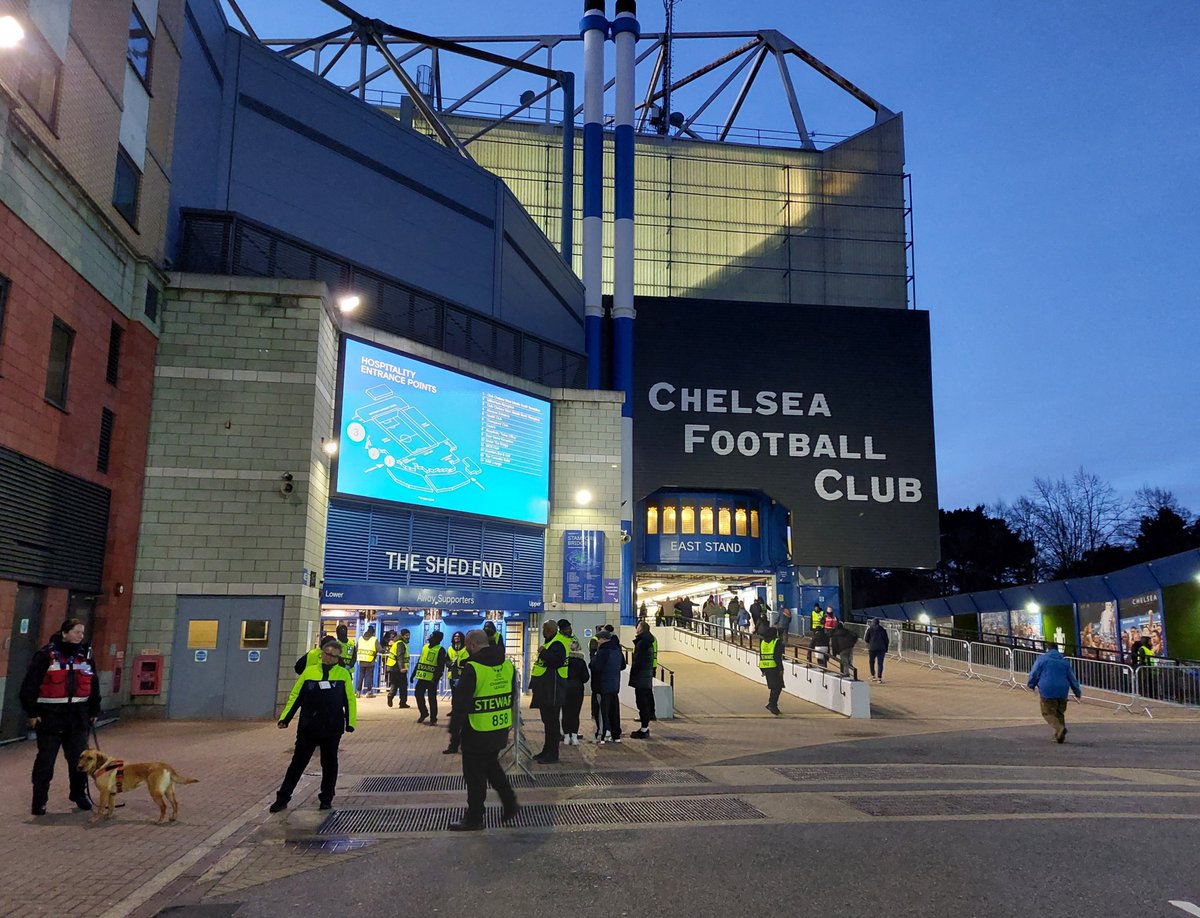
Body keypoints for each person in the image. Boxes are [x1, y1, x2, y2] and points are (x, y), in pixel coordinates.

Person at [20, 618, 100, 815]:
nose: (80, 636)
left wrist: (94, 711)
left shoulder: (86, 657)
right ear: (64, 633)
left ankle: (79, 795)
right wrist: (32, 712)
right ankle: (39, 801)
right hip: (50, 719)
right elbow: (29, 686)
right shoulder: (46, 656)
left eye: (82, 633)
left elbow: (94, 685)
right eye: (76, 632)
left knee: (80, 761)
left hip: (78, 718)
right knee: (45, 762)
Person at [271, 635, 355, 813]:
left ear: (338, 658)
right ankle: (283, 798)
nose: (328, 657)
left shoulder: (343, 674)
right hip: (308, 726)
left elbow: (349, 700)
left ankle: (326, 798)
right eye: (326, 654)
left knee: (330, 764)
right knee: (298, 764)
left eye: (333, 656)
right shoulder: (309, 672)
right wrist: (285, 718)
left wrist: (350, 722)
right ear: (322, 653)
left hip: (332, 728)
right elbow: (296, 697)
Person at [446, 630, 520, 831]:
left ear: (471, 646)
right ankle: (509, 801)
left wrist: (454, 735)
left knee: (474, 777)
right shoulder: (507, 665)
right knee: (490, 766)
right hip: (499, 728)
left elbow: (461, 703)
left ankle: (474, 818)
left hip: (476, 730)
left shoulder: (473, 667)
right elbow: (512, 694)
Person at [529, 620, 570, 764]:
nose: (542, 630)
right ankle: (546, 750)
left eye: (544, 628)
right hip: (546, 689)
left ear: (549, 630)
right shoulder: (551, 641)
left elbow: (556, 660)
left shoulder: (557, 643)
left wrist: (543, 652)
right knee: (548, 722)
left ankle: (552, 754)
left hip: (553, 689)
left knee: (552, 723)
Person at [1026, 645, 1082, 743]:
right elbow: (1072, 678)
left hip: (1047, 689)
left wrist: (1031, 684)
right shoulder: (1064, 662)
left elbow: (1034, 673)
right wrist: (1077, 692)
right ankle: (1059, 736)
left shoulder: (1042, 659)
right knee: (1059, 712)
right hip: (1062, 690)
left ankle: (1059, 729)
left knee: (1047, 712)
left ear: (1047, 649)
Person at [590, 630, 626, 743]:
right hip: (614, 685)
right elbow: (623, 666)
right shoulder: (617, 650)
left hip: (602, 686)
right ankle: (616, 735)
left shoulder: (603, 651)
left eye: (598, 639)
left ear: (603, 639)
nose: (598, 642)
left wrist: (593, 657)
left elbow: (596, 667)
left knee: (602, 711)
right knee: (614, 711)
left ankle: (604, 734)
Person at [411, 631, 448, 726]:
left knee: (432, 699)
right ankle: (424, 713)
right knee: (418, 694)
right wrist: (413, 674)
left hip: (432, 679)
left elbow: (440, 666)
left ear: (436, 639)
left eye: (432, 636)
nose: (429, 637)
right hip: (422, 677)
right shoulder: (425, 647)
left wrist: (435, 678)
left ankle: (433, 718)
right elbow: (420, 661)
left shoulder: (440, 650)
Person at [442, 632, 470, 754]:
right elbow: (447, 659)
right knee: (456, 701)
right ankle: (454, 744)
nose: (456, 638)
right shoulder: (450, 648)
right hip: (452, 676)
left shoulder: (466, 650)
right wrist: (450, 664)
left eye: (459, 637)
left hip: (464, 678)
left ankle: (460, 744)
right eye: (455, 637)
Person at [629, 621, 658, 738]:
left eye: (638, 627)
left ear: (641, 629)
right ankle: (645, 724)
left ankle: (644, 728)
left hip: (641, 677)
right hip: (646, 676)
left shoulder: (642, 643)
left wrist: (634, 675)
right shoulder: (649, 640)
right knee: (645, 699)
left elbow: (638, 662)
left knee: (642, 702)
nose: (636, 629)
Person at [561, 641, 590, 746]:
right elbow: (586, 677)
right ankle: (574, 737)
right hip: (577, 689)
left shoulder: (564, 661)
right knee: (575, 713)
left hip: (565, 689)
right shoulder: (581, 661)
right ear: (578, 649)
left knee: (565, 713)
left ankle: (566, 737)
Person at [759, 625, 784, 715]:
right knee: (777, 687)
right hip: (774, 667)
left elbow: (761, 655)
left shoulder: (763, 642)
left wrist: (762, 669)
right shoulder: (776, 642)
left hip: (765, 666)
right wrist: (781, 668)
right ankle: (772, 704)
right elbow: (777, 656)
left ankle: (772, 704)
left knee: (774, 687)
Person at [385, 628, 411, 708]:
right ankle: (402, 702)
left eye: (409, 635)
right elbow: (400, 656)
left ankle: (390, 695)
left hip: (392, 667)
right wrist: (402, 668)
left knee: (394, 684)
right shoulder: (401, 644)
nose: (408, 637)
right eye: (406, 635)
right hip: (397, 667)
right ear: (402, 635)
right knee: (403, 686)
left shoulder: (398, 642)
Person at [355, 625, 379, 696]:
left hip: (361, 660)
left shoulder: (360, 639)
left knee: (361, 676)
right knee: (369, 676)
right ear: (373, 633)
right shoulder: (374, 639)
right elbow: (380, 649)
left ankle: (358, 692)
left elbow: (356, 648)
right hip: (370, 661)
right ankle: (369, 692)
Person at [865, 618, 890, 683]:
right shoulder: (883, 630)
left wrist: (870, 643)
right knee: (880, 663)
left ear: (873, 622)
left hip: (872, 648)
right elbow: (886, 640)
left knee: (871, 662)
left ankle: (873, 676)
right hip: (881, 648)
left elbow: (866, 639)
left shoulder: (870, 629)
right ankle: (879, 678)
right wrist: (886, 649)